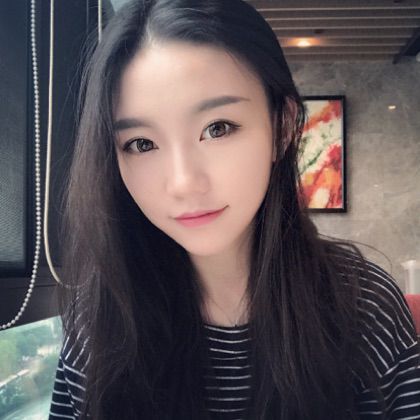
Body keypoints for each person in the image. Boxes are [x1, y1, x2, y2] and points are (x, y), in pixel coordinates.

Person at [48, 0, 420, 419]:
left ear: (282, 127)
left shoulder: (364, 307)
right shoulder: (99, 320)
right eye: (142, 143)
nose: (183, 182)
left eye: (217, 128)